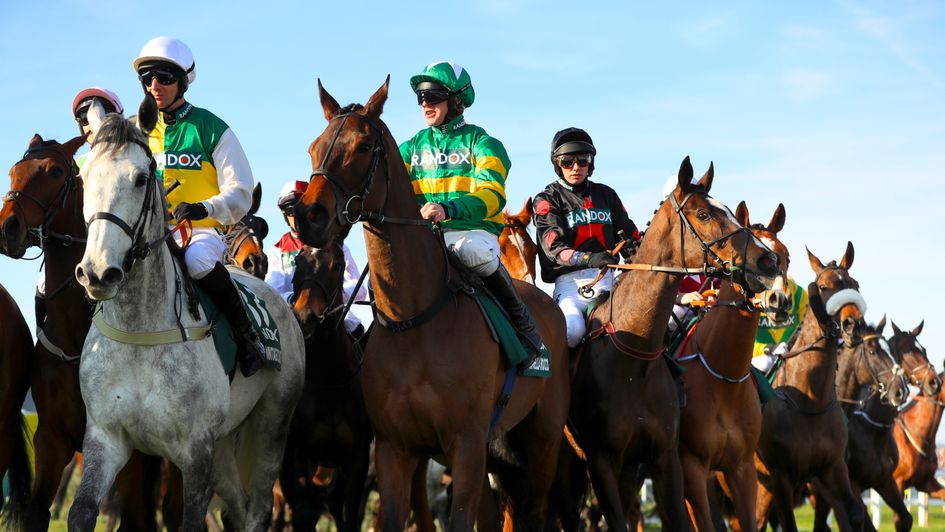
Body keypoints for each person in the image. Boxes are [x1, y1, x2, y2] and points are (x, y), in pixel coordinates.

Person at [133, 36, 263, 377]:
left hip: (200, 232)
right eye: (147, 78)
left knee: (197, 260)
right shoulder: (135, 130)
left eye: (163, 77)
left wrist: (204, 208)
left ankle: (246, 335)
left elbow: (241, 190)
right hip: (147, 234)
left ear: (183, 82)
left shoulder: (211, 126)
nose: (154, 86)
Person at [398, 61, 543, 366]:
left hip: (471, 232)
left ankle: (523, 323)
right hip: (425, 238)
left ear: (457, 100)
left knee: (473, 251)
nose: (425, 103)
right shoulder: (409, 148)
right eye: (420, 96)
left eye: (433, 94)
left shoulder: (483, 143)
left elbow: (493, 195)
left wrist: (448, 209)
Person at [533, 128, 640, 348]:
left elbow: (632, 236)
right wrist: (588, 259)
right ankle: (560, 382)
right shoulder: (546, 199)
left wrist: (636, 249)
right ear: (557, 164)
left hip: (611, 281)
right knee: (573, 331)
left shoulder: (607, 195)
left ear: (590, 163)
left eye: (583, 160)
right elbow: (554, 248)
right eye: (567, 162)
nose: (576, 167)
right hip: (572, 288)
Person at [265, 180, 368, 338]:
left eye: (304, 207)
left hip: (338, 318)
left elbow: (360, 289)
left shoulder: (336, 245)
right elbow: (274, 292)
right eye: (292, 209)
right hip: (294, 322)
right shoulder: (277, 250)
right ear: (284, 214)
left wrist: (328, 298)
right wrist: (299, 300)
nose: (298, 215)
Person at [752, 276, 808, 374]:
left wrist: (791, 347)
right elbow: (739, 341)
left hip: (789, 356)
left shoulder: (799, 294)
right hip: (758, 360)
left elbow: (806, 331)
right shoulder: (751, 294)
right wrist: (769, 348)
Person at [72, 87, 124, 168]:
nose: (93, 120)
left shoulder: (141, 156)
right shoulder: (77, 166)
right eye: (84, 117)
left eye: (104, 112)